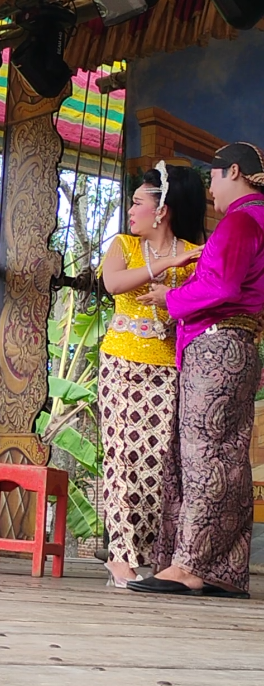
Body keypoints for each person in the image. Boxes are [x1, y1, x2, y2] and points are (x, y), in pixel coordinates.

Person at [130, 142, 264, 599]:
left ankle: (188, 566)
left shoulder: (241, 221)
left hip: (216, 346)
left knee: (203, 455)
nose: (211, 189)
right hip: (241, 345)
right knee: (229, 457)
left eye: (214, 177)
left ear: (234, 171)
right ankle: (224, 568)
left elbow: (221, 285)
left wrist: (170, 298)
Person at [99, 161, 206, 587]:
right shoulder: (123, 245)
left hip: (167, 367)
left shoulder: (195, 255)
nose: (130, 210)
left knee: (157, 460)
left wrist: (178, 271)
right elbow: (113, 284)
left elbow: (200, 304)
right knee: (120, 453)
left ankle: (153, 554)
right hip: (120, 362)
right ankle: (120, 555)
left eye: (138, 203)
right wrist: (165, 265)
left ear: (161, 210)